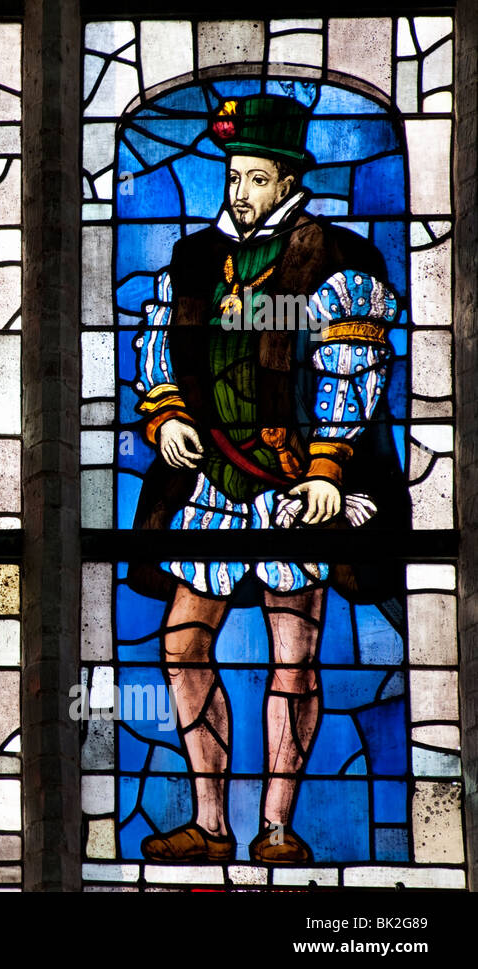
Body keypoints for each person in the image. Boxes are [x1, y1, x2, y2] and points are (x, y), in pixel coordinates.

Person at [129, 96, 407, 864]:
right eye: (232, 176)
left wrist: (327, 466)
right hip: (213, 480)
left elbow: (353, 367)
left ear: (287, 179)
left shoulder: (333, 257)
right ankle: (212, 820)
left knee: (295, 653)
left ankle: (278, 826)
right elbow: (159, 345)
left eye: (254, 178)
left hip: (292, 482)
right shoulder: (195, 259)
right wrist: (166, 415)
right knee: (182, 647)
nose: (238, 192)